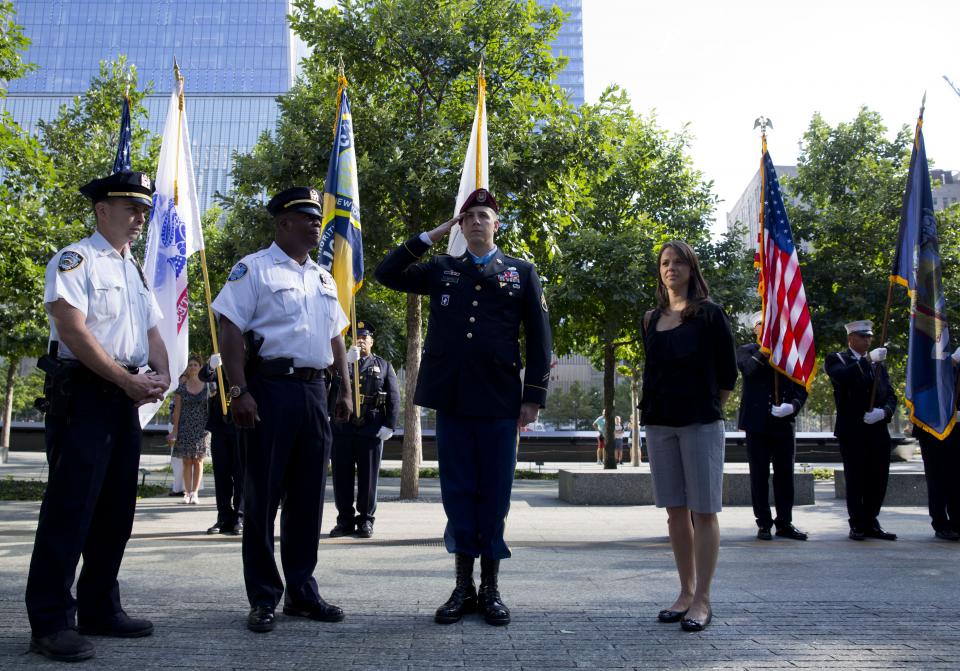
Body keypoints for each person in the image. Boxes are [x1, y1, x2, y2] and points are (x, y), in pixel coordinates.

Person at [375, 187, 551, 626]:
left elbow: (540, 339)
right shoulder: (441, 268)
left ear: (496, 224)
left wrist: (533, 398)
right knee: (457, 494)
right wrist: (431, 236)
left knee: (493, 495)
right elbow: (386, 272)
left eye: (483, 216)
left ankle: (490, 588)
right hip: (452, 398)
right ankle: (462, 587)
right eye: (467, 216)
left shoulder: (520, 272)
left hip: (498, 401)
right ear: (460, 225)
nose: (475, 221)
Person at [25, 171, 170, 662]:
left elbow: (152, 328)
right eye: (131, 209)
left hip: (123, 397)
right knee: (70, 510)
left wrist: (161, 373)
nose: (139, 219)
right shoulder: (76, 259)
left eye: (143, 211)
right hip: (86, 394)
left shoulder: (134, 270)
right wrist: (123, 379)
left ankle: (99, 607)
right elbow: (71, 326)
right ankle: (49, 622)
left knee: (115, 512)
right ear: (101, 210)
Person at [212, 186, 353, 633]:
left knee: (308, 499)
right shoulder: (252, 269)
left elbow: (337, 339)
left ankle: (302, 591)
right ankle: (263, 596)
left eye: (318, 217)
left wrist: (346, 390)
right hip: (268, 390)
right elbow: (229, 329)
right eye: (306, 217)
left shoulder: (324, 277)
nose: (316, 223)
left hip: (314, 392)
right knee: (262, 498)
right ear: (283, 223)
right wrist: (238, 391)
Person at [640, 240, 736, 633]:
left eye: (679, 261)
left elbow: (727, 375)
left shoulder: (710, 315)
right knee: (675, 511)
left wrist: (704, 406)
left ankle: (703, 600)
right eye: (665, 262)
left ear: (692, 269)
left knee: (704, 510)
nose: (671, 268)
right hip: (659, 423)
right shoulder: (650, 318)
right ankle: (684, 592)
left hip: (700, 422)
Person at [736, 312, 809, 541]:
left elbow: (801, 384)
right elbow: (748, 370)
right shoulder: (747, 350)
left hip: (782, 423)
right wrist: (765, 350)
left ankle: (785, 522)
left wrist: (793, 405)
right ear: (755, 330)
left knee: (785, 475)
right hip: (757, 424)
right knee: (759, 475)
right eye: (761, 324)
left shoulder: (789, 353)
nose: (766, 328)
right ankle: (764, 523)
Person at [825, 320, 898, 541]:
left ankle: (871, 520)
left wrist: (884, 412)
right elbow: (843, 378)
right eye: (862, 336)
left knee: (878, 478)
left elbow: (891, 395)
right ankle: (857, 523)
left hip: (876, 430)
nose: (867, 340)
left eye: (869, 336)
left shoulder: (878, 364)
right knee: (856, 478)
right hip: (853, 431)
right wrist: (867, 360)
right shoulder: (837, 359)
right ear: (851, 338)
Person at [329, 322, 400, 539]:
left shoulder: (383, 365)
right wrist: (344, 365)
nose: (360, 340)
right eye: (356, 337)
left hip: (370, 428)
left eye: (365, 337)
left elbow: (394, 396)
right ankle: (345, 520)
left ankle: (366, 520)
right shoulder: (341, 364)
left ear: (371, 341)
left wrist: (389, 424)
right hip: (343, 427)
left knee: (369, 478)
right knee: (342, 477)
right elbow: (329, 388)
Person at [914, 346, 960, 541]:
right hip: (933, 431)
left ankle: (958, 522)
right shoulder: (931, 363)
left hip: (957, 432)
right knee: (938, 480)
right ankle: (941, 523)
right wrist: (953, 362)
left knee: (957, 481)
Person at [199, 353, 244, 535]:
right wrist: (211, 365)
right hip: (221, 423)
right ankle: (224, 516)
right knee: (222, 474)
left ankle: (240, 516)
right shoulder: (223, 351)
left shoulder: (249, 355)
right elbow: (204, 376)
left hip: (242, 422)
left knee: (241, 474)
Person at [167, 355, 210, 504]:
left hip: (202, 428)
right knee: (186, 460)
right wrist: (174, 431)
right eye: (190, 365)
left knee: (198, 460)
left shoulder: (207, 386)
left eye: (195, 365)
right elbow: (177, 410)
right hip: (185, 426)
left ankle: (195, 492)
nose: (192, 367)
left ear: (200, 367)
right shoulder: (181, 387)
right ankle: (187, 492)